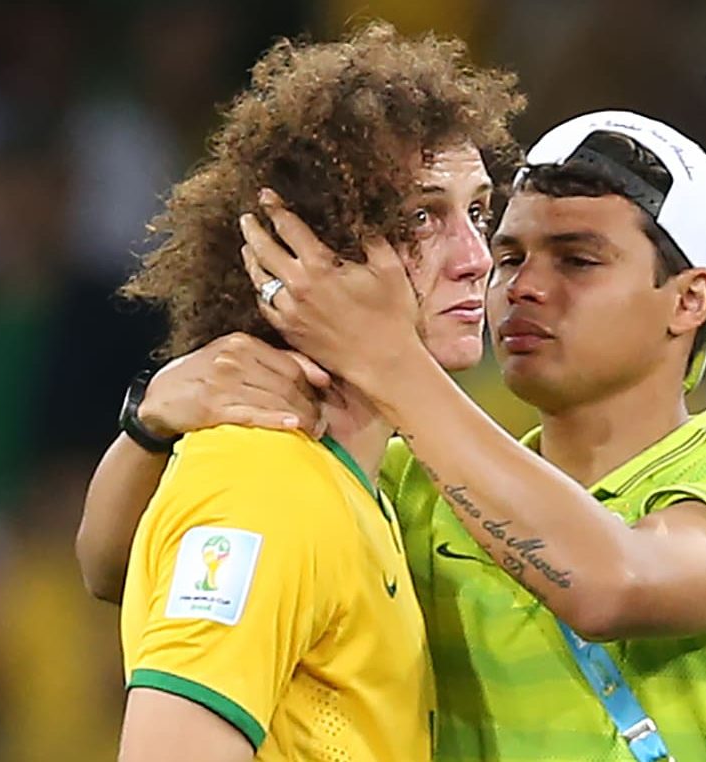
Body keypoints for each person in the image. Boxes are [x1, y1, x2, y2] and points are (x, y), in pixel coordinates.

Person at [82, 111, 706, 761]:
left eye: (577, 259)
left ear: (689, 300)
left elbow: (613, 583)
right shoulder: (407, 481)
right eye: (510, 255)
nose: (512, 285)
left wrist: (384, 356)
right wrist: (147, 422)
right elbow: (123, 570)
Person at [100, 22, 523, 762]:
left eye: (479, 212)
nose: (477, 258)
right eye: (422, 216)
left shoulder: (369, 483)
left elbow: (103, 565)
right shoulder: (263, 481)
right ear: (310, 250)